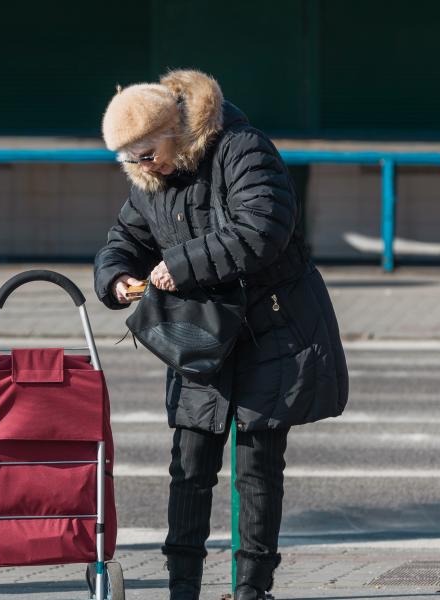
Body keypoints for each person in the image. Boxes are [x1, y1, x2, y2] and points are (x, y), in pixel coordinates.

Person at [93, 70, 349, 600]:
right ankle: (181, 589)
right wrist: (115, 278)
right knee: (189, 465)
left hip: (271, 327)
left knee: (256, 466)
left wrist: (179, 266)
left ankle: (252, 590)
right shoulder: (148, 181)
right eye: (130, 159)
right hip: (202, 335)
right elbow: (125, 238)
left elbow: (264, 227)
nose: (143, 166)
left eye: (148, 153)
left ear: (174, 128)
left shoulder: (241, 147)